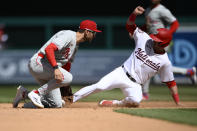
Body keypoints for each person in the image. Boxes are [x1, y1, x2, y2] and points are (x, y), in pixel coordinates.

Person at [72, 6, 180, 107]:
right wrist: (134, 14)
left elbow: (171, 83)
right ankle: (70, 99)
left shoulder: (165, 61)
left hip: (136, 84)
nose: (154, 40)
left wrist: (177, 102)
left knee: (136, 101)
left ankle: (114, 103)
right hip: (122, 73)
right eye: (155, 38)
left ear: (163, 44)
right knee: (99, 86)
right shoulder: (145, 39)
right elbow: (130, 26)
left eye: (157, 40)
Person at [13, 20, 102, 108]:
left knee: (56, 104)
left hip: (47, 69)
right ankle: (36, 93)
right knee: (68, 77)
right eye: (93, 32)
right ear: (87, 31)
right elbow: (49, 49)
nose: (94, 35)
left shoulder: (76, 45)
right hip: (39, 63)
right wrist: (56, 69)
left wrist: (63, 83)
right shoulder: (69, 35)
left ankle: (24, 94)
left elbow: (66, 64)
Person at [140, 0, 197, 100]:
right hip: (151, 40)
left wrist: (167, 36)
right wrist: (140, 30)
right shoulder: (148, 10)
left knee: (148, 63)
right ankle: (188, 72)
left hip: (161, 41)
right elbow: (148, 26)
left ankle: (145, 93)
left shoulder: (162, 10)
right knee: (154, 66)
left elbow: (175, 24)